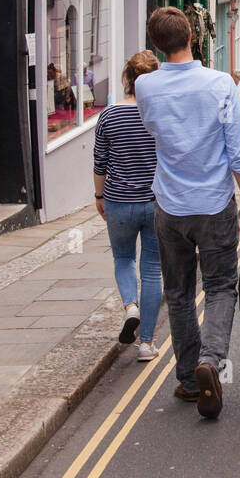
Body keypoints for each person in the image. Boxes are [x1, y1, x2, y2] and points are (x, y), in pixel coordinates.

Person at [137, 6, 240, 420]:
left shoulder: (145, 87)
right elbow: (238, 153)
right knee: (221, 287)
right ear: (193, 35)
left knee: (179, 293)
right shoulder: (219, 83)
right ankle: (211, 360)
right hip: (214, 205)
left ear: (156, 45)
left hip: (169, 206)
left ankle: (189, 379)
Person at [93, 50, 163, 361]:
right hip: (155, 202)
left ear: (127, 80)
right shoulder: (160, 114)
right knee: (152, 270)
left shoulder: (108, 115)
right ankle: (146, 343)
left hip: (119, 201)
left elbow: (100, 163)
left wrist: (99, 197)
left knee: (123, 259)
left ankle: (130, 307)